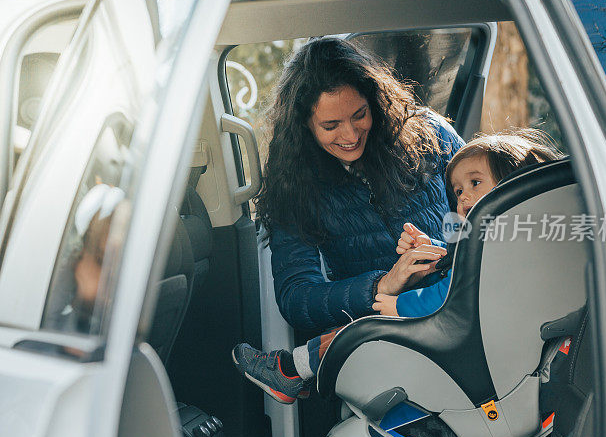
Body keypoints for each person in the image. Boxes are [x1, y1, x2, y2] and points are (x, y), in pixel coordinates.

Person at [234, 130, 562, 404]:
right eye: (458, 191)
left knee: (361, 332)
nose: (461, 199)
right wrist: (435, 255)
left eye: (475, 183)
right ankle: (292, 368)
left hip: (474, 344)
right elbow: (462, 277)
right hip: (488, 338)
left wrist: (395, 304)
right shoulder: (523, 238)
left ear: (515, 183)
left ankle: (290, 371)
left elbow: (451, 297)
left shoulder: (497, 245)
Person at [256, 37, 465, 338]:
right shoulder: (293, 186)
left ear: (375, 101)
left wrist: (446, 251)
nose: (351, 135)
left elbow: (487, 218)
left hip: (461, 304)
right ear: (304, 126)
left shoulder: (431, 136)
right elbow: (297, 298)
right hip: (384, 332)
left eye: (359, 115)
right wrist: (381, 286)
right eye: (331, 126)